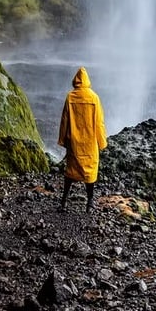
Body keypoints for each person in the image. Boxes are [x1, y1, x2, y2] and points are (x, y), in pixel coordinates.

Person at [57, 66, 108, 212]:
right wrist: (102, 142)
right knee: (90, 174)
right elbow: (99, 122)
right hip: (90, 143)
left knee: (70, 172)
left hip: (74, 142)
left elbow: (65, 120)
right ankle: (90, 203)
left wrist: (63, 140)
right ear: (87, 81)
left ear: (76, 80)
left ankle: (63, 201)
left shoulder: (70, 97)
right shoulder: (94, 98)